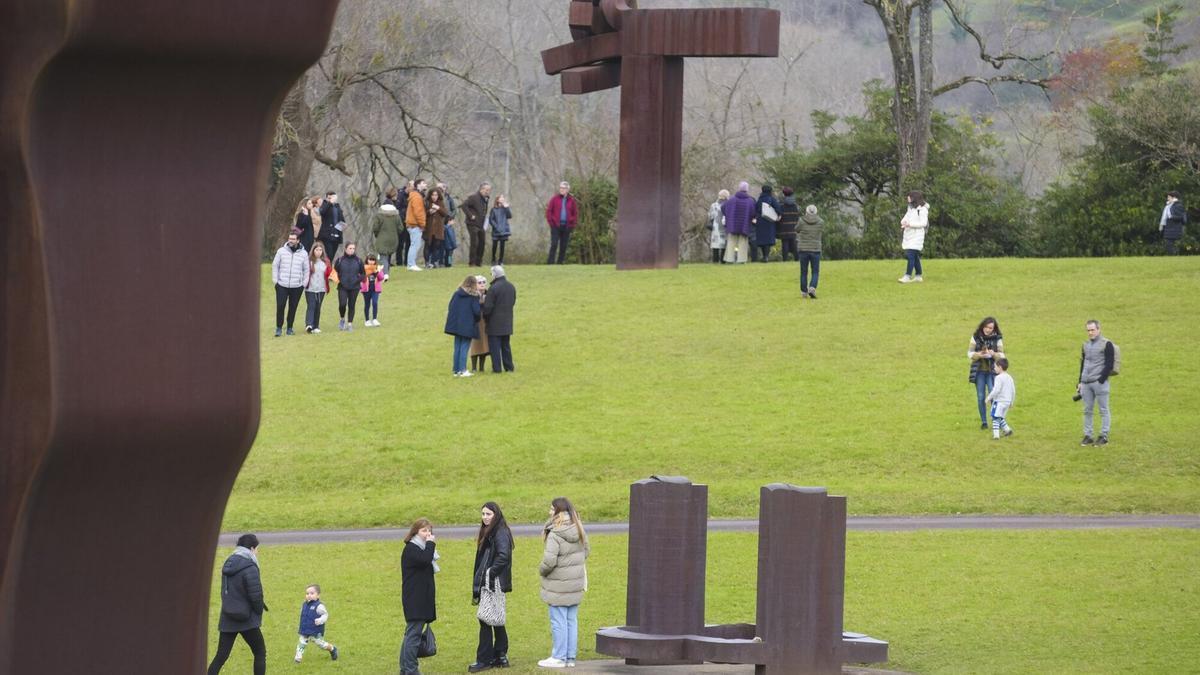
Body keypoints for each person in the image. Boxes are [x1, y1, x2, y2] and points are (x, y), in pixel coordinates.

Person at [537, 497, 589, 669]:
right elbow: (586, 551)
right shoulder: (579, 528)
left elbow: (549, 562)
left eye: (552, 509)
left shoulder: (555, 533)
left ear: (558, 512)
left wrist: (541, 570)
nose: (549, 512)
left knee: (558, 621)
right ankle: (570, 657)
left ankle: (558, 657)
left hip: (558, 586)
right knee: (571, 620)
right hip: (575, 584)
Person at [208, 534, 267, 675]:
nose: (257, 552)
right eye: (257, 549)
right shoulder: (250, 567)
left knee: (221, 655)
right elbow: (256, 595)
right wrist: (259, 611)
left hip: (228, 616)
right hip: (247, 619)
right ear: (252, 548)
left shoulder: (228, 563)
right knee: (260, 652)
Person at [469, 502, 514, 672]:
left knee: (485, 619)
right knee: (495, 617)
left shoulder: (500, 532)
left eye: (488, 514)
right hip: (492, 581)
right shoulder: (492, 531)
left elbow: (504, 556)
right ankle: (500, 655)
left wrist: (489, 573)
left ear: (496, 514)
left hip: (493, 582)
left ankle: (484, 659)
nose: (485, 517)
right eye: (483, 514)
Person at [400, 519, 439, 675]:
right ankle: (411, 670)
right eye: (424, 531)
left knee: (411, 635)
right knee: (413, 636)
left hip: (420, 599)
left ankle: (405, 669)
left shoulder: (419, 549)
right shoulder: (412, 549)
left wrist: (428, 545)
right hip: (416, 600)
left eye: (429, 531)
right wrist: (431, 544)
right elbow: (424, 560)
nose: (428, 534)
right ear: (415, 532)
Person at [1078, 319, 1115, 447]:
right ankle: (1088, 435)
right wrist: (1080, 382)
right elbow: (1083, 364)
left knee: (1103, 409)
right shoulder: (1085, 345)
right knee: (1087, 410)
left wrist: (1101, 380)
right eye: (1088, 330)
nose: (1090, 332)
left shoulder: (1107, 344)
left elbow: (1109, 364)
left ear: (1098, 329)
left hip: (1099, 383)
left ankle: (1103, 436)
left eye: (1092, 330)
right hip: (1086, 383)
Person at [968, 317, 1005, 430]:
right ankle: (984, 422)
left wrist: (993, 354)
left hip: (992, 372)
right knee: (980, 397)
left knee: (993, 395)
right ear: (983, 326)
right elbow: (970, 353)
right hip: (979, 371)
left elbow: (1002, 356)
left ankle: (996, 420)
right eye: (986, 327)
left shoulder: (997, 339)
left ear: (994, 329)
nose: (988, 330)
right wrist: (980, 354)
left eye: (990, 328)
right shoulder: (975, 337)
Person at [272, 230, 309, 337]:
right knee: (280, 306)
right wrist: (276, 281)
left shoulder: (304, 253)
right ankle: (278, 328)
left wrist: (304, 284)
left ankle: (289, 328)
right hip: (282, 285)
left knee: (293, 307)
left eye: (293, 239)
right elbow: (275, 266)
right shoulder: (281, 251)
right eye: (290, 239)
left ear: (298, 240)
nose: (291, 241)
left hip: (297, 286)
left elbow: (306, 270)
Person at [445, 275, 482, 377]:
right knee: (464, 347)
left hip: (457, 324)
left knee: (457, 347)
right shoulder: (474, 296)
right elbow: (477, 311)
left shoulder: (457, 293)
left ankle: (456, 370)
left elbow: (450, 306)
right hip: (468, 324)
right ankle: (463, 369)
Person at [483, 265, 517, 373]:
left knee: (495, 347)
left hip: (494, 323)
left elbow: (488, 307)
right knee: (506, 346)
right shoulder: (511, 286)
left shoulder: (493, 289)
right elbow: (512, 302)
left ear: (494, 275)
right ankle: (509, 367)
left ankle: (497, 368)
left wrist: (485, 317)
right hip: (507, 321)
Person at [294, 584, 339, 663]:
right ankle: (298, 658)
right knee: (301, 642)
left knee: (321, 644)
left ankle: (332, 649)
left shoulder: (319, 606)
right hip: (305, 629)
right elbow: (303, 616)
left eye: (312, 593)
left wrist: (320, 620)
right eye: (307, 593)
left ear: (318, 595)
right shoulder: (304, 605)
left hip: (315, 630)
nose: (309, 595)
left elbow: (325, 614)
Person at [333, 242, 365, 331]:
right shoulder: (340, 260)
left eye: (353, 249)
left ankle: (350, 324)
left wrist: (358, 280)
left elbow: (363, 273)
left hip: (355, 287)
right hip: (342, 286)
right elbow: (335, 272)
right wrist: (338, 280)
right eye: (350, 248)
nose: (352, 250)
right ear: (346, 249)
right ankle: (342, 318)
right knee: (342, 304)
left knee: (352, 305)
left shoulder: (358, 261)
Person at [545, 181, 578, 265]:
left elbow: (575, 213)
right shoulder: (554, 199)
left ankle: (560, 263)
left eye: (563, 188)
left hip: (567, 227)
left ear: (567, 190)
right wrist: (551, 223)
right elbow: (549, 211)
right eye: (560, 188)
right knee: (554, 244)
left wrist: (572, 225)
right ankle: (550, 263)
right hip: (555, 226)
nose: (561, 189)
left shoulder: (571, 200)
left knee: (563, 246)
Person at [898, 191, 928, 283]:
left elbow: (923, 223)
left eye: (909, 196)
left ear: (914, 198)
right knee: (914, 256)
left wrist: (910, 224)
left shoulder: (923, 210)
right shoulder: (910, 208)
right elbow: (906, 217)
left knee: (910, 255)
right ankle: (918, 275)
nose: (908, 198)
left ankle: (907, 276)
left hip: (917, 236)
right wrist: (903, 222)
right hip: (909, 235)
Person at [722, 182, 755, 263]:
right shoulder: (750, 201)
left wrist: (728, 215)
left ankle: (729, 259)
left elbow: (723, 207)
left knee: (731, 241)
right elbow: (753, 213)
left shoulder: (732, 199)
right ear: (747, 189)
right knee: (743, 242)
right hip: (744, 224)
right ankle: (741, 259)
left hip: (732, 224)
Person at [985, 358, 1015, 440]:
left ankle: (996, 436)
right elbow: (1013, 391)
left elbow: (996, 390)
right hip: (1007, 402)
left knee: (994, 417)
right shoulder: (1010, 377)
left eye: (995, 367)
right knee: (1000, 417)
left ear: (1000, 367)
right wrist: (1011, 402)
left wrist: (988, 398)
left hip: (999, 401)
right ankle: (1007, 430)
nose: (994, 368)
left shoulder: (998, 378)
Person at [304, 242, 331, 334]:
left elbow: (329, 273)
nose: (318, 252)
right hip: (310, 288)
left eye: (320, 250)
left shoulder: (326, 262)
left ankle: (316, 326)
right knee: (311, 305)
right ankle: (309, 325)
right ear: (313, 250)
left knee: (318, 306)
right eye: (316, 250)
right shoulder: (309, 261)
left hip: (321, 288)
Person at [797, 205, 823, 298]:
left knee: (803, 272)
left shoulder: (801, 221)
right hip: (815, 249)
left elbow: (797, 229)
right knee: (815, 271)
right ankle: (812, 287)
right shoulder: (820, 222)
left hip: (803, 249)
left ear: (806, 212)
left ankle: (804, 292)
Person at [463, 183, 492, 267]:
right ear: (481, 189)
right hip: (472, 224)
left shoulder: (485, 199)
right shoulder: (474, 197)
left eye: (489, 190)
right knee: (474, 242)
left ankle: (478, 262)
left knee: (482, 243)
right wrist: (470, 215)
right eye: (486, 190)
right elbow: (464, 205)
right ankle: (472, 263)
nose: (488, 192)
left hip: (481, 224)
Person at [372, 202, 402, 277]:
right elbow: (400, 228)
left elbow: (375, 228)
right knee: (388, 256)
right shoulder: (396, 216)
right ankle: (386, 271)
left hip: (382, 239)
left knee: (383, 257)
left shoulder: (379, 216)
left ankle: (385, 274)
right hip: (393, 239)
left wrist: (377, 234)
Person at [753, 184, 780, 262]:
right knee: (768, 240)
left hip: (760, 221)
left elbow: (756, 209)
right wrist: (779, 215)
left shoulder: (759, 199)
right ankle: (766, 256)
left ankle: (764, 256)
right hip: (769, 221)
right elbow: (778, 208)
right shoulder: (771, 199)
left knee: (762, 240)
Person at [406, 179, 428, 271]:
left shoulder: (416, 196)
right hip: (415, 224)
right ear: (418, 185)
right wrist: (422, 224)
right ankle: (411, 264)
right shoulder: (417, 197)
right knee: (415, 245)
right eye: (423, 183)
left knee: (415, 244)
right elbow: (418, 212)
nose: (426, 184)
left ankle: (411, 263)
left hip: (413, 224)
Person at [425, 186, 449, 269]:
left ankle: (434, 262)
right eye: (432, 195)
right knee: (428, 245)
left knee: (436, 246)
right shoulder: (427, 202)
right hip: (429, 228)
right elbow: (424, 214)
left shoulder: (441, 203)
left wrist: (438, 208)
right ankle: (427, 262)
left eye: (436, 195)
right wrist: (429, 212)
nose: (434, 197)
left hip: (438, 229)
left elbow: (445, 213)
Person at [318, 191, 346, 261]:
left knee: (332, 256)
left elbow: (342, 221)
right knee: (328, 255)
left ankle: (329, 269)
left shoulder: (337, 207)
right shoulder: (325, 204)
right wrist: (329, 202)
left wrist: (338, 229)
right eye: (332, 197)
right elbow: (322, 212)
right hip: (326, 236)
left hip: (336, 237)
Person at [470, 275, 490, 373]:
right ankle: (474, 367)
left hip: (485, 322)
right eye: (479, 282)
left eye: (483, 282)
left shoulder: (488, 294)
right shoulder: (473, 295)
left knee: (484, 344)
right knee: (475, 344)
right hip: (475, 322)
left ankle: (481, 368)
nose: (482, 284)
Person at [776, 187, 800, 262]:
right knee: (794, 243)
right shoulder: (796, 206)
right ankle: (797, 259)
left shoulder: (781, 205)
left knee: (785, 243)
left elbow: (779, 216)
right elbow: (798, 216)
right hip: (793, 226)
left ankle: (785, 260)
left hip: (784, 227)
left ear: (784, 194)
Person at [361, 253, 385, 327]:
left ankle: (374, 319)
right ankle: (367, 320)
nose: (371, 262)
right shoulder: (363, 268)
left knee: (375, 303)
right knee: (367, 304)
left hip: (375, 289)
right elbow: (360, 278)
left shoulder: (378, 268)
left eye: (373, 260)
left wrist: (376, 272)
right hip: (366, 289)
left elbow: (381, 278)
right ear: (367, 260)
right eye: (370, 260)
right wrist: (365, 274)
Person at [488, 195, 513, 265]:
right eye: (501, 198)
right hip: (496, 231)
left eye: (503, 198)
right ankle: (493, 260)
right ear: (497, 200)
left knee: (502, 246)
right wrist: (496, 227)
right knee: (494, 246)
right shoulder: (493, 209)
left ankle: (501, 261)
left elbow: (509, 216)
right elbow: (491, 220)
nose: (502, 199)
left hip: (504, 231)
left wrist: (507, 208)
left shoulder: (505, 209)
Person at [1160, 191, 1186, 255]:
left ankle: (1174, 255)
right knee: (1168, 244)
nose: (1167, 198)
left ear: (1174, 197)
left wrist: (1171, 217)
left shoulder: (1178, 206)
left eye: (1169, 197)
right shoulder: (1168, 206)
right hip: (1169, 227)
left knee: (1169, 244)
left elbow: (1180, 217)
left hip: (1174, 228)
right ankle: (1174, 255)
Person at [706, 190, 728, 263]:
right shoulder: (728, 204)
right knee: (724, 244)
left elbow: (710, 216)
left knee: (715, 244)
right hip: (725, 226)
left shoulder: (714, 205)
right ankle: (723, 260)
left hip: (716, 226)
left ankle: (715, 260)